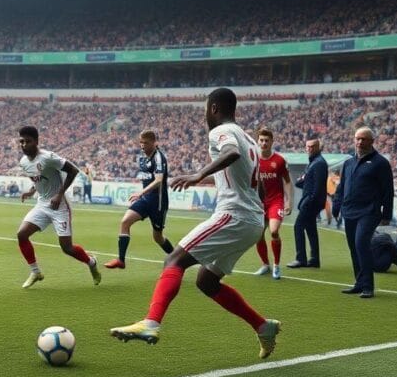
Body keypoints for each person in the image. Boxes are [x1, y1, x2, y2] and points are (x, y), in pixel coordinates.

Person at [110, 88, 281, 359]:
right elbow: (255, 183)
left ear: (213, 108)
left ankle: (151, 322)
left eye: (205, 108)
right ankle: (263, 326)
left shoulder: (221, 133)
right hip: (251, 221)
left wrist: (198, 174)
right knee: (207, 282)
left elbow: (231, 152)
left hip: (234, 215)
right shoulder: (249, 139)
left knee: (174, 261)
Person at [15, 125, 102, 289]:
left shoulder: (48, 157)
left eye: (28, 141)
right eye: (21, 141)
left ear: (36, 141)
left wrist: (60, 194)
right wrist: (31, 191)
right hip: (42, 204)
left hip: (59, 206)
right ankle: (36, 272)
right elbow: (40, 179)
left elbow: (73, 171)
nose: (24, 145)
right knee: (21, 234)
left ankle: (91, 262)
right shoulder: (24, 162)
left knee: (67, 248)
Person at [331, 127, 394, 299]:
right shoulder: (348, 162)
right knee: (353, 247)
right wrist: (336, 206)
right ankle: (359, 283)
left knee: (361, 244)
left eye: (364, 139)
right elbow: (341, 187)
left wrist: (387, 214)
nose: (359, 142)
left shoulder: (380, 163)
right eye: (357, 138)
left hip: (369, 211)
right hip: (349, 211)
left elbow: (388, 190)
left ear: (372, 141)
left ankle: (368, 286)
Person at [105, 131, 174, 269]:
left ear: (155, 143)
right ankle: (121, 260)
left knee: (158, 237)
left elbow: (159, 180)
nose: (142, 146)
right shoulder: (143, 158)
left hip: (158, 202)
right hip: (145, 199)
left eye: (146, 143)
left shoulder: (159, 157)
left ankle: (177, 259)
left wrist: (140, 192)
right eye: (141, 143)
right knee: (125, 222)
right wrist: (142, 194)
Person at [251, 128, 293, 279]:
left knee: (274, 231)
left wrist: (289, 201)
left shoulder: (280, 160)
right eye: (261, 140)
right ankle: (265, 265)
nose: (263, 143)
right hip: (258, 203)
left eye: (266, 140)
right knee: (258, 235)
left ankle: (276, 265)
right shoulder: (253, 160)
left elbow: (288, 182)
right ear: (258, 141)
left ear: (271, 142)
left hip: (276, 201)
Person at [289, 138, 328, 269]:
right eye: (308, 147)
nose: (310, 149)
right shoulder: (314, 163)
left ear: (318, 147)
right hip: (311, 201)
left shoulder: (319, 164)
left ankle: (301, 259)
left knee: (298, 226)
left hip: (311, 202)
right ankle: (314, 259)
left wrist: (309, 201)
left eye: (313, 146)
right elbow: (300, 182)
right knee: (311, 229)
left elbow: (318, 187)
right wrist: (303, 179)